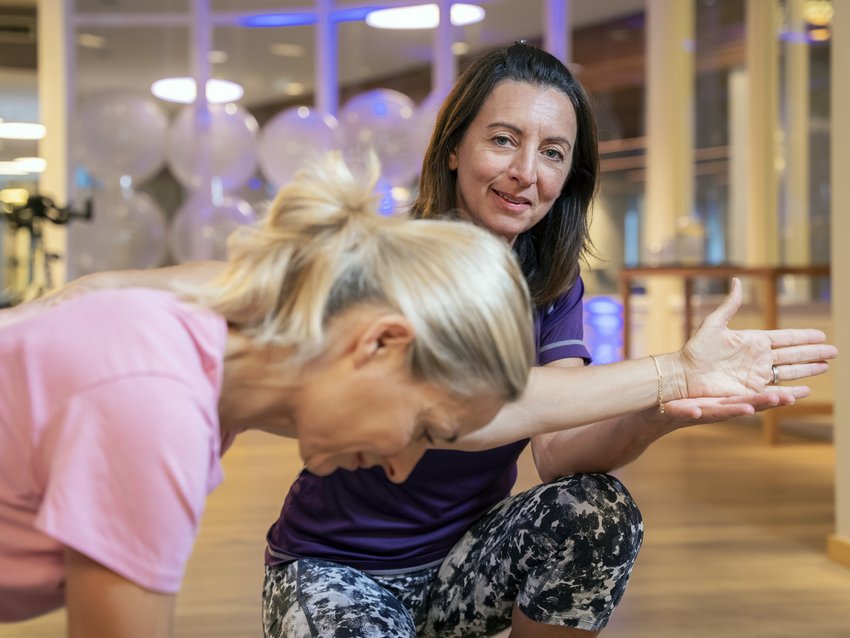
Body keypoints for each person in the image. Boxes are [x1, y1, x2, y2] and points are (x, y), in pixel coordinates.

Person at [1, 44, 835, 638]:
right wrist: (665, 369)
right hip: (339, 565)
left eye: (553, 153)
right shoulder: (368, 263)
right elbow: (201, 289)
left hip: (462, 559)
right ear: (456, 144)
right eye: (504, 139)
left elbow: (558, 448)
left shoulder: (551, 287)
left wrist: (667, 403)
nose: (525, 172)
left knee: (594, 507)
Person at [0, 151, 538, 637]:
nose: (401, 469)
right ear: (381, 343)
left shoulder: (193, 365)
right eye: (423, 430)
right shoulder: (155, 406)